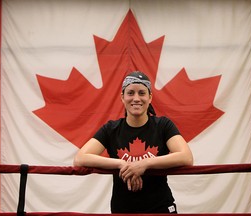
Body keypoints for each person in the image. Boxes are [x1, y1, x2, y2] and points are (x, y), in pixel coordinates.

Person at [73, 71, 193, 214]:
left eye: (142, 93)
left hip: (160, 208)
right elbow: (80, 158)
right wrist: (121, 164)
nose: (136, 98)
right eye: (130, 93)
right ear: (122, 97)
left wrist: (144, 164)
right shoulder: (111, 129)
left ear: (150, 98)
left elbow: (186, 157)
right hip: (123, 210)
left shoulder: (163, 125)